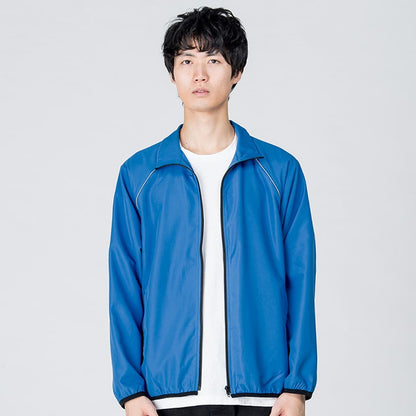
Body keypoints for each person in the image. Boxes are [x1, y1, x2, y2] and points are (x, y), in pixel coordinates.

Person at [108, 6, 317, 416]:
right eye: (186, 61)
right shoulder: (140, 175)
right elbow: (124, 286)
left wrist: (297, 387)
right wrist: (131, 392)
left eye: (213, 60)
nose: (199, 74)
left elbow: (301, 280)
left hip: (264, 395)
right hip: (166, 399)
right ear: (173, 74)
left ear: (236, 72)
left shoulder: (279, 171)